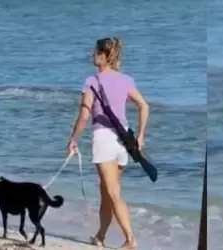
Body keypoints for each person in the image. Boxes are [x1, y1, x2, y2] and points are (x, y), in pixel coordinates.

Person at [67, 37, 149, 249]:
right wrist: (140, 136)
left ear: (104, 56)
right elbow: (144, 106)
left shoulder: (92, 82)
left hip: (104, 139)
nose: (92, 56)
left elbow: (84, 115)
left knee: (113, 192)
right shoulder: (126, 80)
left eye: (95, 53)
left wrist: (74, 139)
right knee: (107, 192)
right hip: (124, 141)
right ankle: (101, 236)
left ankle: (130, 239)